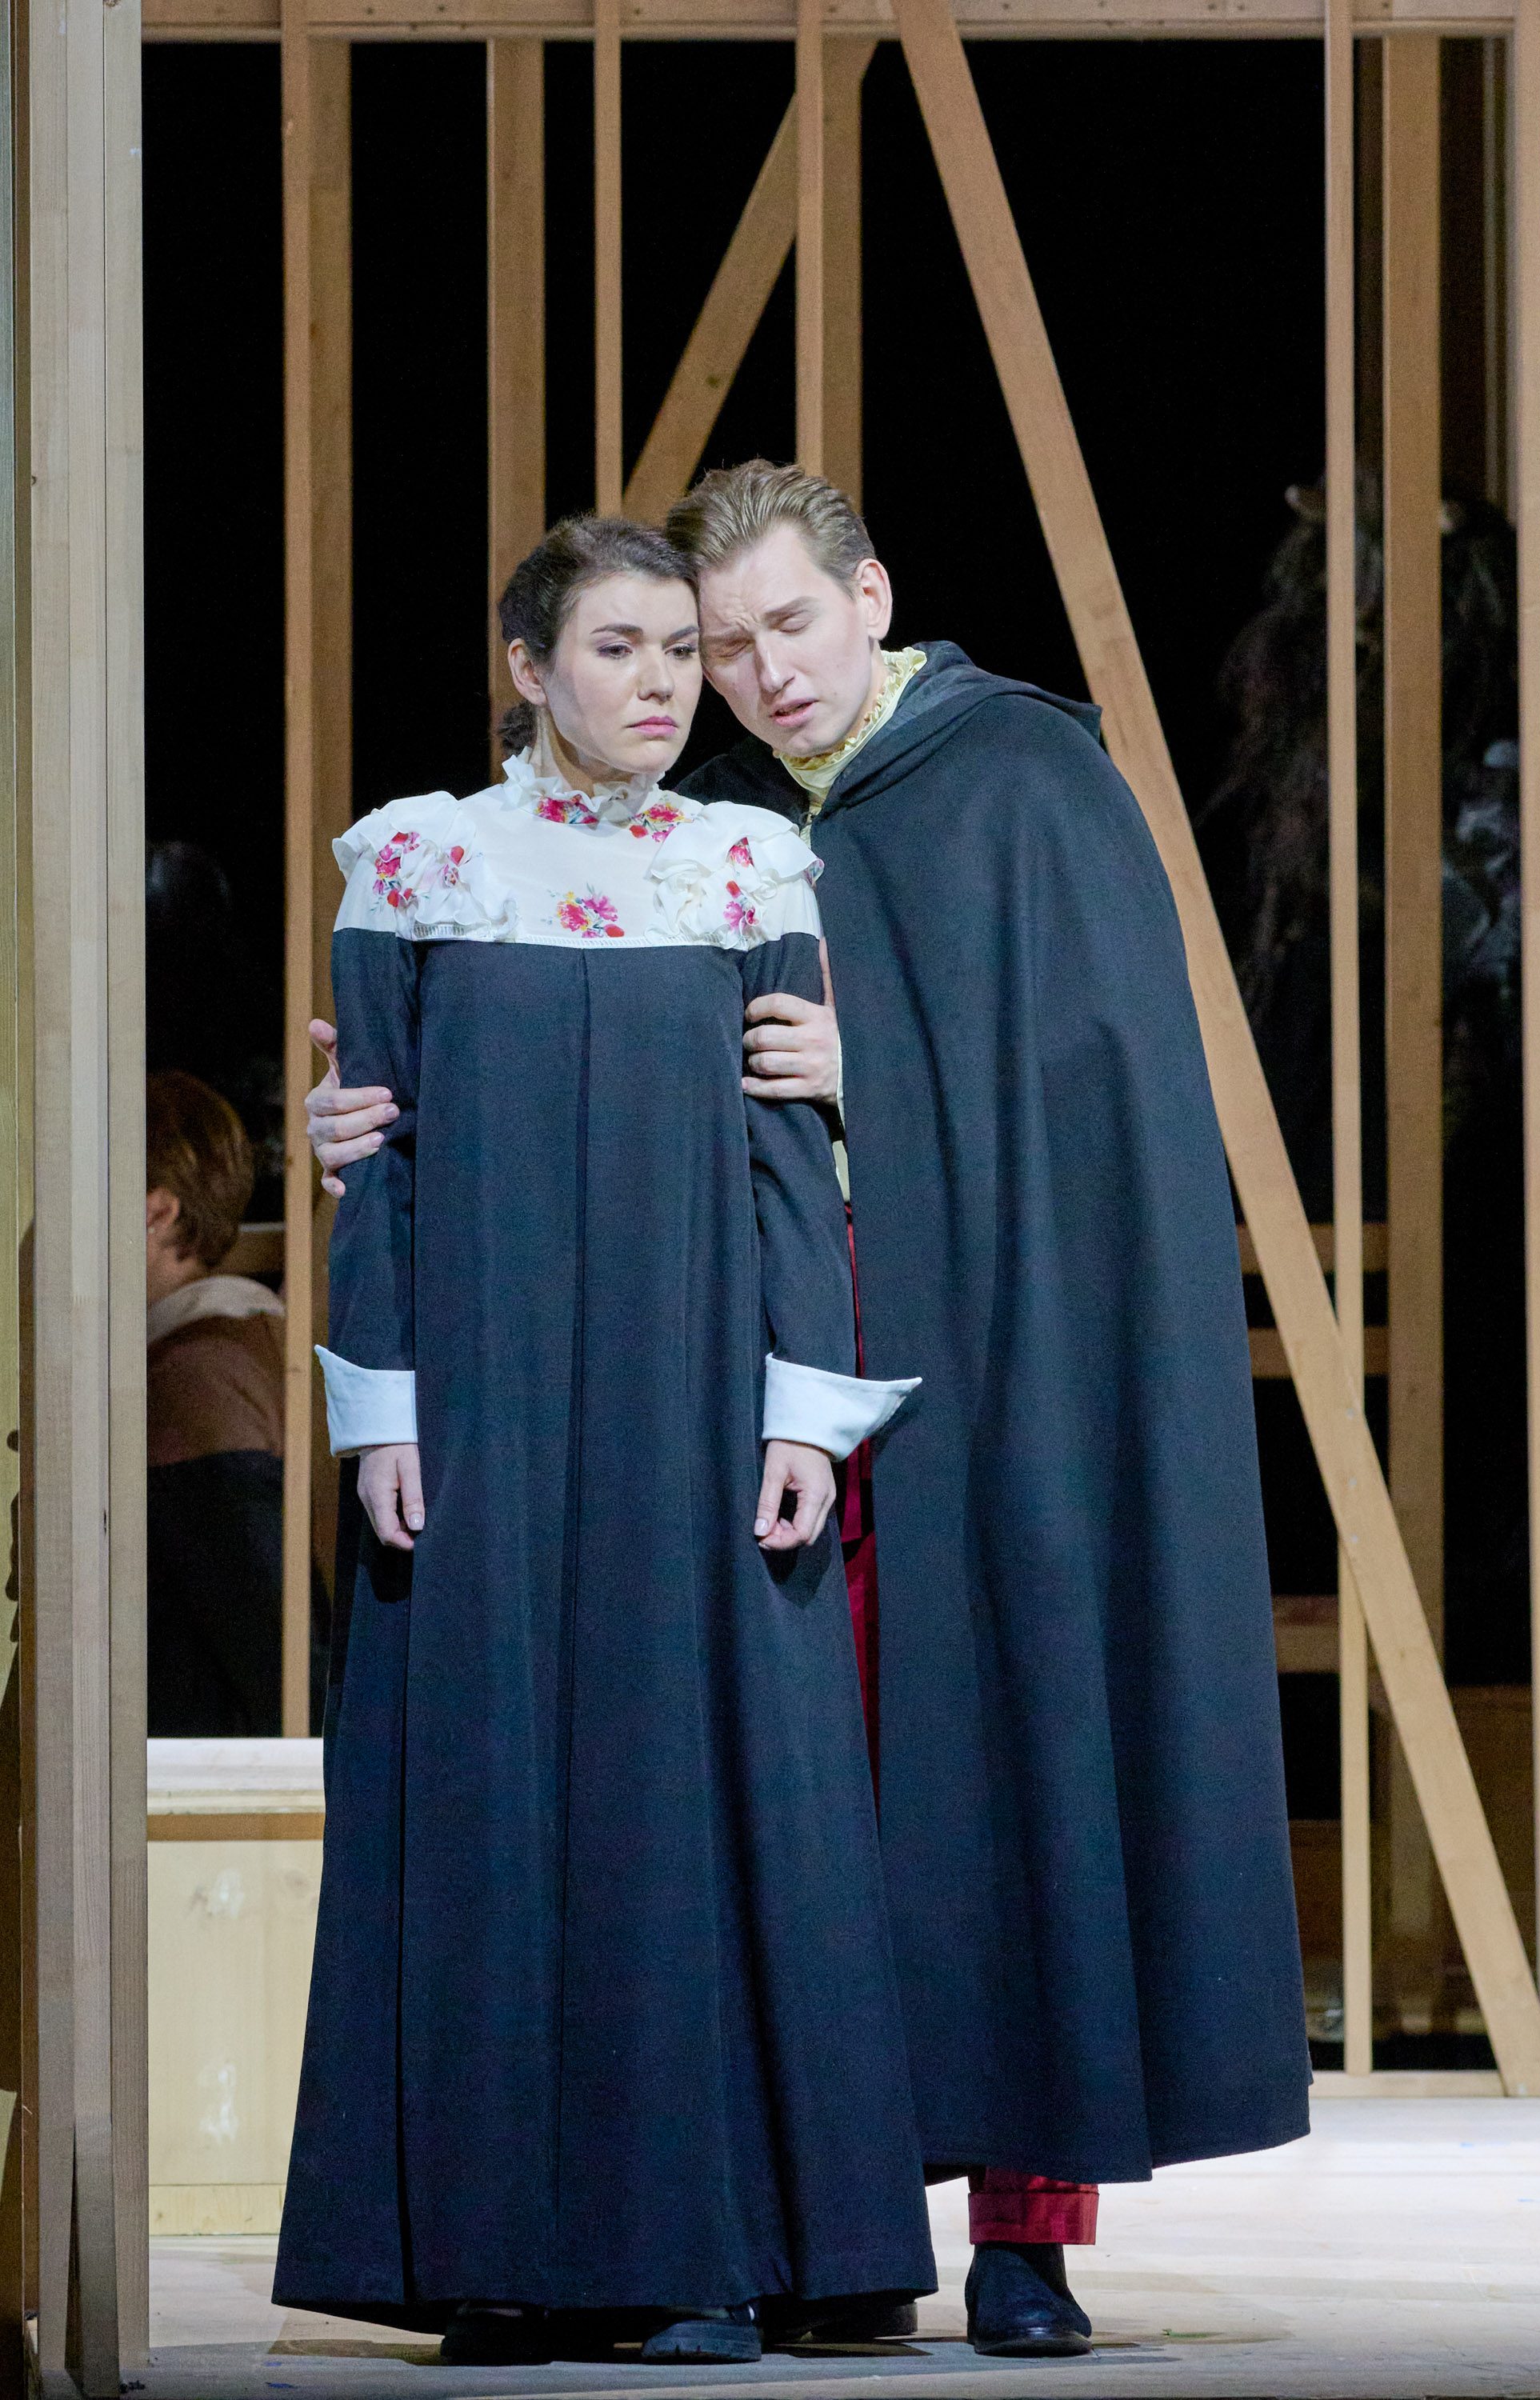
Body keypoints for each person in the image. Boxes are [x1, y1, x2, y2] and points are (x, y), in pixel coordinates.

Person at [306, 466, 1311, 2359]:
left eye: (787, 624)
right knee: (792, 1797)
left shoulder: (1025, 779)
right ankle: (810, 2216)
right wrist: (382, 1105)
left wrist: (882, 1075)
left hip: (991, 1356)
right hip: (745, 1364)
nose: (760, 671)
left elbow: (1106, 1081)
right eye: (722, 640)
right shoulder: (713, 817)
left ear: (874, 599)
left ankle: (1025, 2235)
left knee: (1007, 1760)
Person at [274, 515, 936, 2370]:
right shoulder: (414, 861)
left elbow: (792, 1160)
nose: (661, 685)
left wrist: (804, 1407)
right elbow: (376, 1154)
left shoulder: (747, 866)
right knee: (486, 1799)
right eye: (619, 648)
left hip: (697, 1399)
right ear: (529, 668)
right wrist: (380, 1403)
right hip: (478, 1410)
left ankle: (705, 2249)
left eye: (678, 652)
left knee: (695, 1803)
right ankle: (492, 2258)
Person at [146, 1069, 291, 1735]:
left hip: (194, 1768)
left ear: (157, 1210)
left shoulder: (195, 1375)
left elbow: (267, 1629)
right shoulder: (232, 1348)